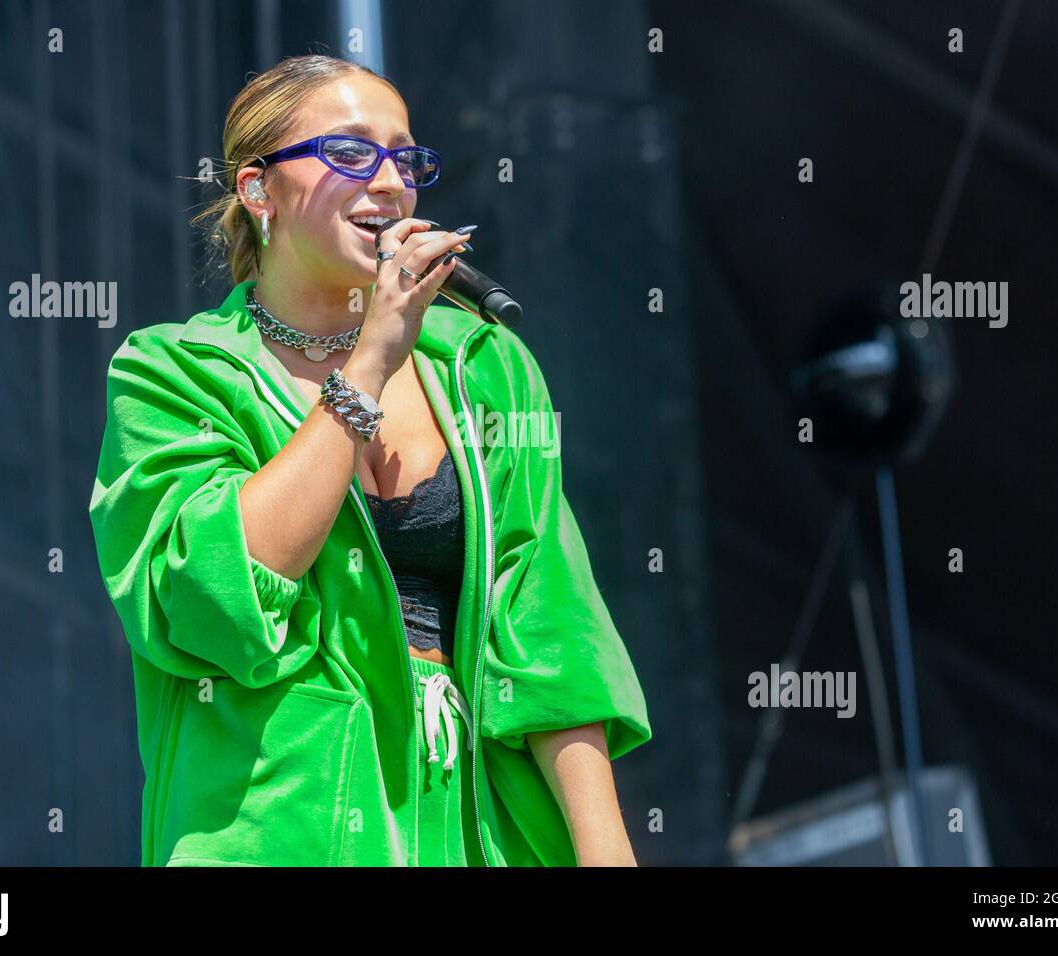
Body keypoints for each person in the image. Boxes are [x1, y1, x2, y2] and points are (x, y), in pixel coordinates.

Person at [88, 53, 651, 867]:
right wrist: (368, 365)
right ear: (257, 190)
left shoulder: (485, 365)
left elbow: (551, 624)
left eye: (406, 158)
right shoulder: (170, 373)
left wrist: (607, 854)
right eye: (351, 153)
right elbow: (213, 607)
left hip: (475, 823)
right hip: (283, 823)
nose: (389, 181)